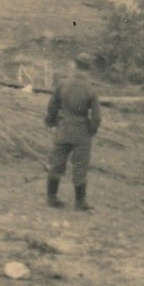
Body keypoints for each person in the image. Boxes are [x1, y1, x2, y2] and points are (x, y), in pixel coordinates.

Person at [44, 53, 101, 210]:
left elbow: (52, 106)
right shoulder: (91, 90)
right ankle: (80, 202)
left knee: (56, 163)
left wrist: (52, 122)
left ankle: (51, 198)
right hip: (81, 131)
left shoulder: (63, 84)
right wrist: (91, 130)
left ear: (75, 66)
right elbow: (96, 117)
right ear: (88, 70)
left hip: (63, 128)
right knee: (80, 166)